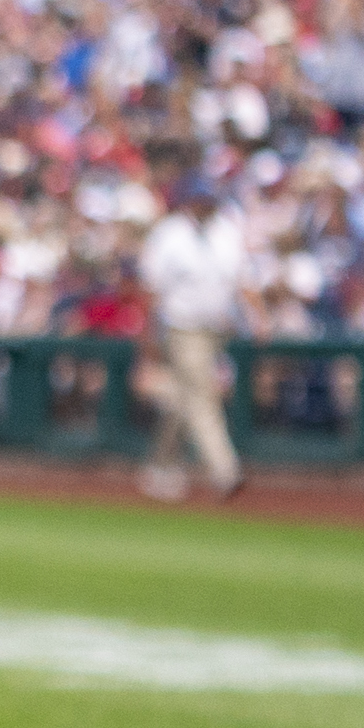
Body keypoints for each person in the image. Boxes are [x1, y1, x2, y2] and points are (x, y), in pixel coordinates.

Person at [138, 170, 248, 503]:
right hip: (181, 328)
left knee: (181, 399)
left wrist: (255, 318)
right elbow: (151, 289)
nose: (205, 205)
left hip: (217, 329)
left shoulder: (226, 231)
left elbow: (241, 280)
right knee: (202, 393)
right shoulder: (169, 235)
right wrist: (148, 335)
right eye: (200, 199)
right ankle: (225, 470)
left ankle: (160, 464)